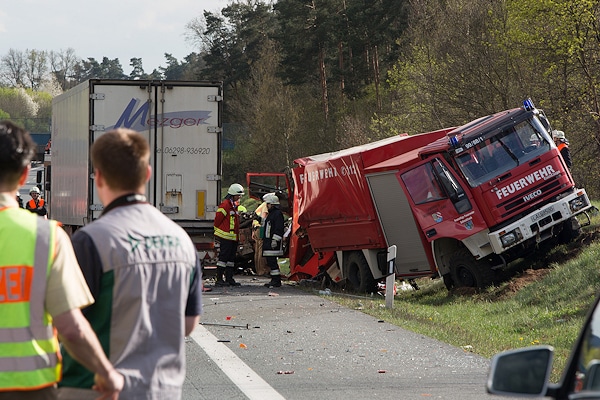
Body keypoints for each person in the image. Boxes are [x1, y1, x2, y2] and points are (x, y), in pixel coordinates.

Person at [57, 128, 202, 400]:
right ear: (147, 173)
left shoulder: (92, 241)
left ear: (98, 177)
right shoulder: (182, 241)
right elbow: (188, 323)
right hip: (163, 390)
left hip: (94, 389)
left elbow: (70, 326)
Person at [0, 120, 123, 399]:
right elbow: (71, 327)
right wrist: (105, 372)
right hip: (29, 387)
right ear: (24, 175)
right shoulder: (46, 237)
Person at [213, 183, 245, 287]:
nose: (239, 197)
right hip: (226, 237)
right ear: (232, 194)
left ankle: (229, 278)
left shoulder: (233, 205)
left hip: (233, 237)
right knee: (223, 258)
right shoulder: (226, 205)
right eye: (238, 195)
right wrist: (219, 231)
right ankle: (219, 279)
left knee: (231, 259)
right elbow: (218, 219)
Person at [262, 193, 285, 288]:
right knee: (270, 262)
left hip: (273, 243)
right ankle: (274, 280)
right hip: (269, 242)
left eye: (268, 204)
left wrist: (275, 240)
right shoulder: (272, 214)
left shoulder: (277, 214)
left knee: (272, 262)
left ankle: (276, 281)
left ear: (272, 204)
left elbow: (278, 228)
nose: (267, 206)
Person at [252, 194, 271, 277]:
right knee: (261, 250)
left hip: (256, 228)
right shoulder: (265, 206)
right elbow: (264, 219)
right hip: (261, 229)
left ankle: (258, 269)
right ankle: (262, 270)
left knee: (257, 250)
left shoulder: (261, 205)